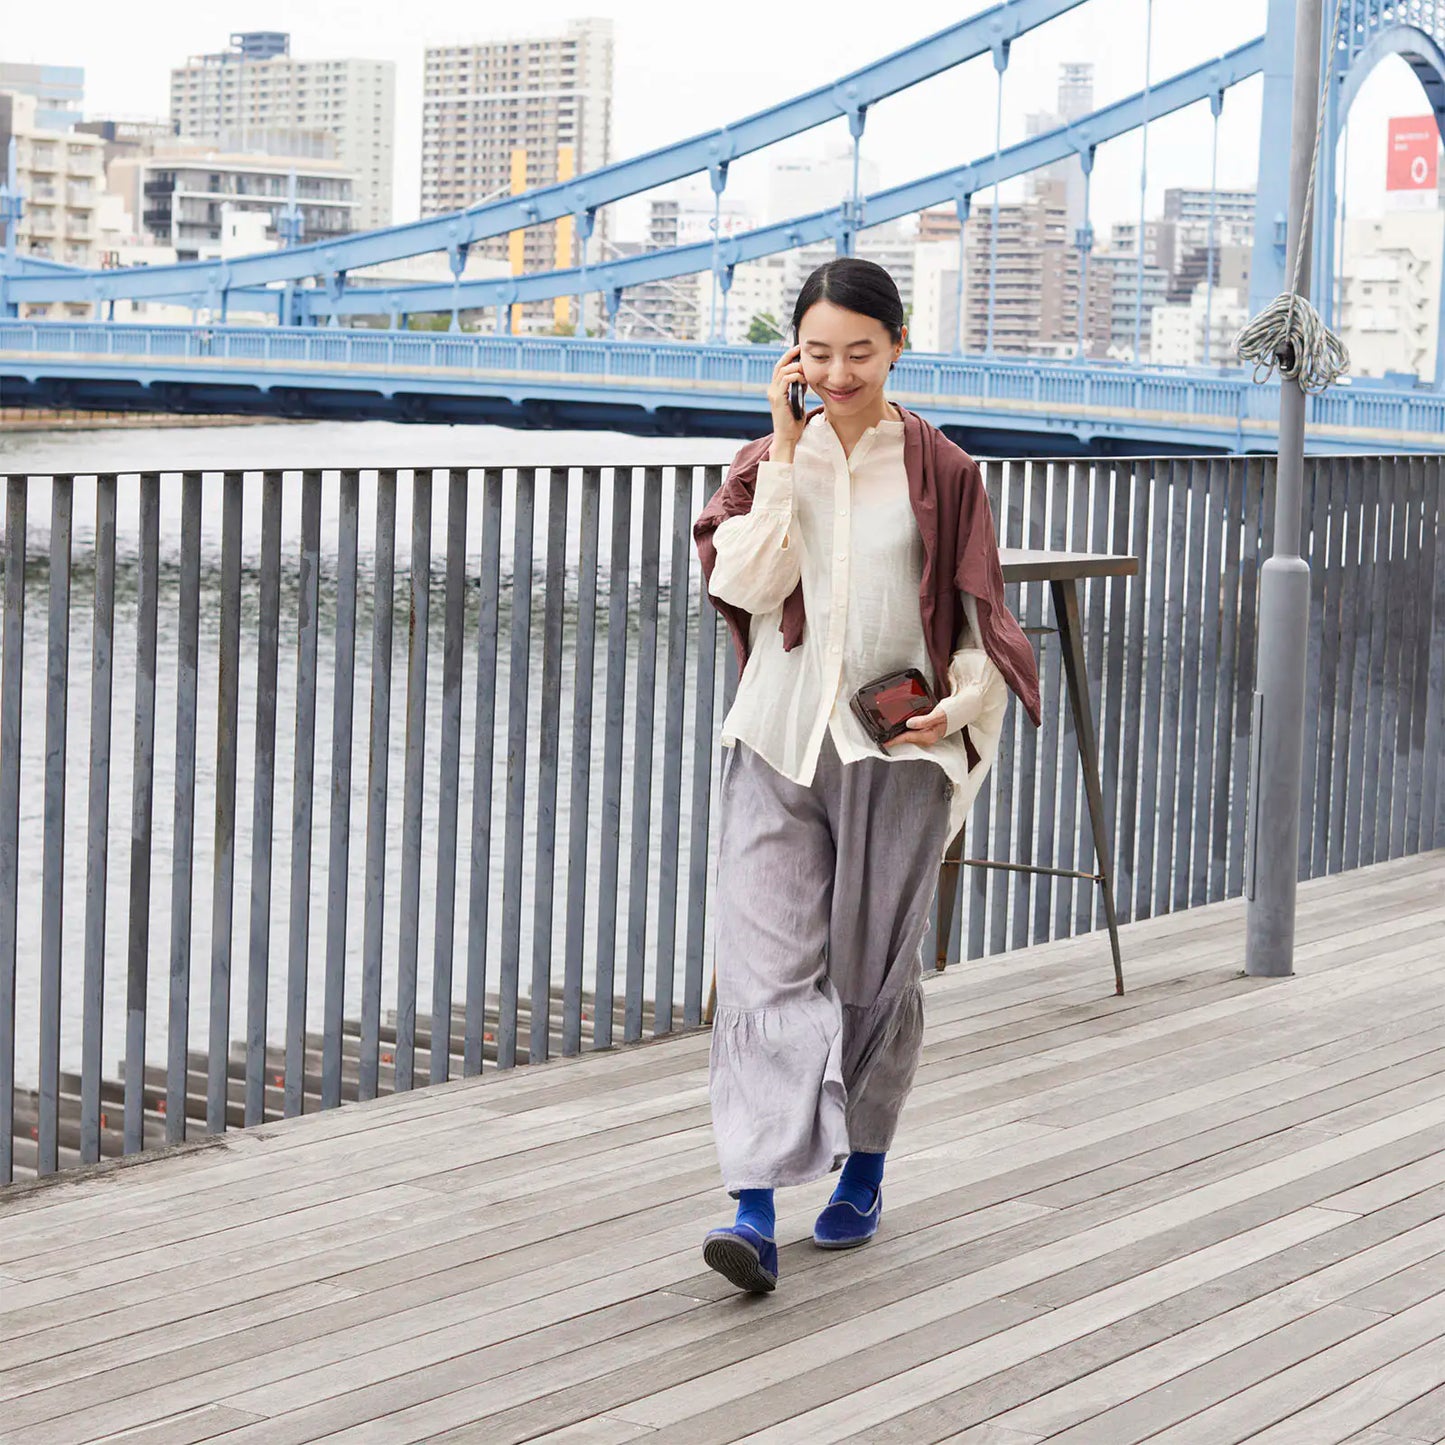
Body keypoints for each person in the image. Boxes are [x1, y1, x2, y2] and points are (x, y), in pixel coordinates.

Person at [692, 257, 1041, 1294]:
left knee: (873, 975)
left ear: (896, 349)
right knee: (760, 970)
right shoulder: (765, 461)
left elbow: (980, 626)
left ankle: (866, 1167)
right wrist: (789, 448)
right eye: (816, 352)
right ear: (790, 355)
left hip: (896, 752)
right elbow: (744, 580)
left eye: (858, 351)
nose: (836, 371)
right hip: (776, 737)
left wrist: (962, 702)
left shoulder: (943, 470)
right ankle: (751, 1207)